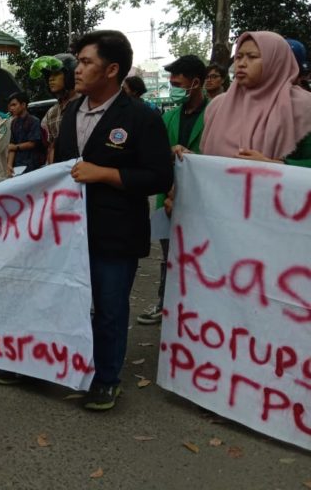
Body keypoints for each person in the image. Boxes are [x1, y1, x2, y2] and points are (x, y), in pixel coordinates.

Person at [55, 30, 173, 410]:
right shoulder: (72, 110)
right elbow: (62, 166)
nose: (77, 69)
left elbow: (159, 177)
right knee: (64, 299)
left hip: (116, 233)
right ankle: (56, 363)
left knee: (109, 306)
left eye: (86, 62)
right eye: (78, 61)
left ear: (112, 69)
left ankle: (106, 378)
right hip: (71, 230)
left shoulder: (141, 117)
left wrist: (103, 174)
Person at [137, 54, 208, 325]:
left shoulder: (214, 114)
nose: (173, 87)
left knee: (201, 260)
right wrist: (170, 152)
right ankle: (164, 304)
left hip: (201, 201)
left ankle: (198, 311)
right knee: (169, 258)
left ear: (196, 83)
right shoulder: (169, 116)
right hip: (166, 200)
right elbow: (155, 156)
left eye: (178, 83)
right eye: (171, 82)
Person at [201, 31, 311, 167]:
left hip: (273, 187)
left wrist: (276, 165)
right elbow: (207, 157)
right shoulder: (217, 106)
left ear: (275, 61)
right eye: (239, 57)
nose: (241, 64)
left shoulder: (303, 106)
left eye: (252, 57)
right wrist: (188, 158)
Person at [30, 54, 80, 164]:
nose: (51, 79)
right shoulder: (51, 113)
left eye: (56, 73)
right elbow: (51, 147)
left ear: (70, 76)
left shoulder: (85, 104)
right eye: (49, 75)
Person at [6, 91, 43, 176]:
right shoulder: (13, 122)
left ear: (23, 105)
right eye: (10, 105)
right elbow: (11, 146)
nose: (11, 108)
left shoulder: (34, 121)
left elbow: (33, 143)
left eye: (14, 105)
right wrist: (9, 165)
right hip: (17, 167)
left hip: (32, 166)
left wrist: (15, 147)